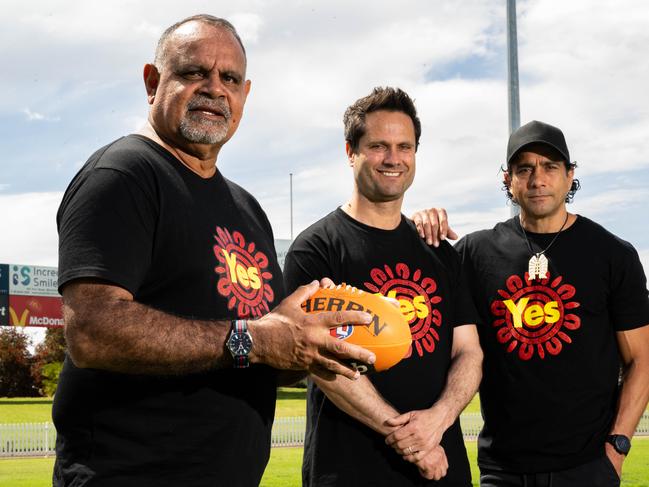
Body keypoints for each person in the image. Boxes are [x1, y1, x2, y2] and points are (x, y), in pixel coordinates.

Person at [53, 15, 376, 487]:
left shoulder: (246, 207)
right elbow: (93, 330)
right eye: (193, 72)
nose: (214, 89)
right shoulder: (123, 175)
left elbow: (260, 351)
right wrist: (258, 340)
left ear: (245, 95)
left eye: (229, 78)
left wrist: (310, 339)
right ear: (152, 81)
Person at [412, 120, 649, 486]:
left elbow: (641, 360)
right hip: (503, 469)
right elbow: (417, 295)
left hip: (587, 468)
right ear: (509, 180)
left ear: (570, 177)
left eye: (550, 167)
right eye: (525, 168)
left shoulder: (612, 254)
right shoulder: (474, 254)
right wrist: (416, 226)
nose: (538, 179)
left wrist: (616, 447)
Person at [283, 87, 483, 486]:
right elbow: (321, 362)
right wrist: (413, 440)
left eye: (404, 146)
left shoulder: (439, 252)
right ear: (350, 151)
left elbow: (469, 352)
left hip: (444, 470)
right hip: (351, 470)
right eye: (378, 145)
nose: (393, 158)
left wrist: (438, 421)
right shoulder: (316, 248)